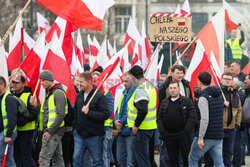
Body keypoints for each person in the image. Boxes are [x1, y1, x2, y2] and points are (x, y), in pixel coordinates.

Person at [158, 65, 192, 167]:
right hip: (168, 129)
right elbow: (160, 108)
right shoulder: (164, 87)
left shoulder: (186, 85)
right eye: (177, 73)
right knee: (165, 154)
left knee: (183, 154)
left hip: (183, 128)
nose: (180, 75)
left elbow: (191, 106)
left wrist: (187, 129)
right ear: (172, 73)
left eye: (182, 73)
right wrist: (163, 130)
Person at [73, 72, 109, 167]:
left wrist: (89, 112)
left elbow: (105, 114)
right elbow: (76, 112)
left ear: (89, 81)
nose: (79, 84)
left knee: (96, 161)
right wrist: (75, 128)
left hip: (94, 135)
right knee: (76, 158)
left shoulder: (99, 96)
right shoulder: (80, 95)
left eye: (81, 82)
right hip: (80, 134)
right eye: (78, 81)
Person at [188, 71, 224, 167]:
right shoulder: (219, 95)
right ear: (211, 80)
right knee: (219, 162)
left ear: (199, 82)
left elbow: (204, 119)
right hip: (218, 134)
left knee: (193, 158)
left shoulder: (203, 97)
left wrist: (200, 138)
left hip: (207, 135)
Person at [127, 65, 157, 167]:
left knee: (142, 160)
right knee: (143, 158)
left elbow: (143, 110)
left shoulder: (141, 89)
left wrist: (136, 125)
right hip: (149, 127)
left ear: (132, 76)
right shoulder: (150, 86)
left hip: (141, 129)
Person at [38, 70, 67, 167]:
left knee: (43, 158)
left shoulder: (57, 93)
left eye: (44, 80)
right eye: (41, 80)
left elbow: (60, 115)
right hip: (53, 131)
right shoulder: (50, 93)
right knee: (58, 159)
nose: (41, 83)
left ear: (50, 80)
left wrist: (50, 132)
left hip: (53, 131)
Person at [11, 70, 38, 167]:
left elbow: (35, 114)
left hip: (26, 131)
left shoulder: (29, 95)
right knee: (16, 156)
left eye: (17, 83)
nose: (14, 84)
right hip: (15, 131)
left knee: (26, 156)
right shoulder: (11, 94)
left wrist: (24, 119)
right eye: (13, 82)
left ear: (23, 84)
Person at [113, 72, 137, 167]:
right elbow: (118, 109)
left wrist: (121, 122)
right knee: (120, 158)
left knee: (130, 160)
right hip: (121, 131)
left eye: (126, 81)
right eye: (123, 81)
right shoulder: (124, 93)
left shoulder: (136, 93)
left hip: (130, 130)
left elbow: (132, 112)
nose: (124, 83)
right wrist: (115, 121)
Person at [220, 72, 242, 167]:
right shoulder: (218, 93)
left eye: (229, 79)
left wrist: (237, 125)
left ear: (232, 81)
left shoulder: (235, 95)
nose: (227, 81)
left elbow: (239, 111)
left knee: (228, 154)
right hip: (219, 129)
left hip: (231, 129)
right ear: (221, 80)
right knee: (217, 155)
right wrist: (222, 104)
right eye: (225, 79)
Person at [0, 76, 18, 166]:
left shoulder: (9, 98)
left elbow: (12, 118)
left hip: (6, 133)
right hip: (4, 133)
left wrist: (8, 135)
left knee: (2, 159)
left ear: (2, 85)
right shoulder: (2, 98)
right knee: (8, 159)